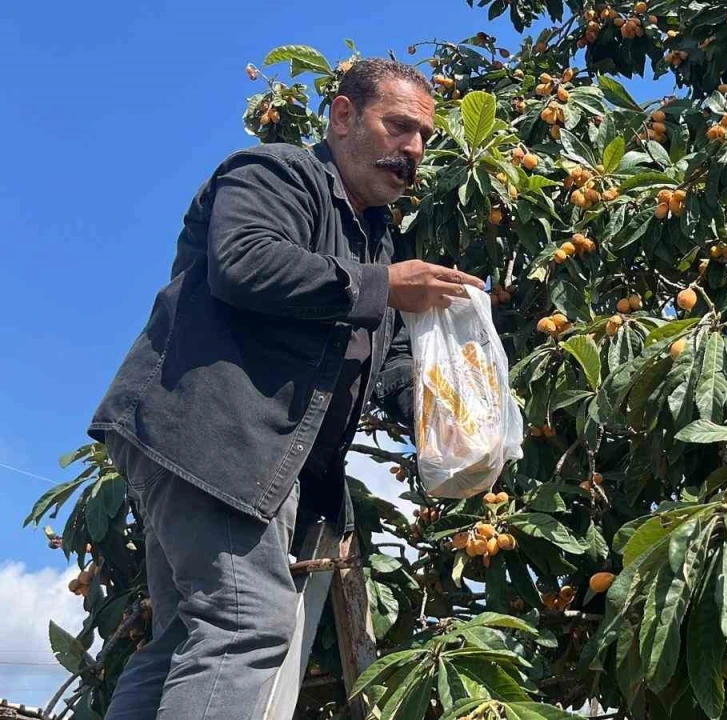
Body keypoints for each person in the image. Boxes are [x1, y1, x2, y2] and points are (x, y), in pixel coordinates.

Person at [86, 58, 483, 718]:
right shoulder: (276, 172)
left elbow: (383, 361)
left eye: (424, 137)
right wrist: (384, 286)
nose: (413, 148)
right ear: (343, 116)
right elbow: (244, 262)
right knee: (246, 623)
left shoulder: (377, 242)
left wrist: (447, 417)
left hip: (243, 458)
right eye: (398, 126)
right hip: (214, 437)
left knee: (186, 636)